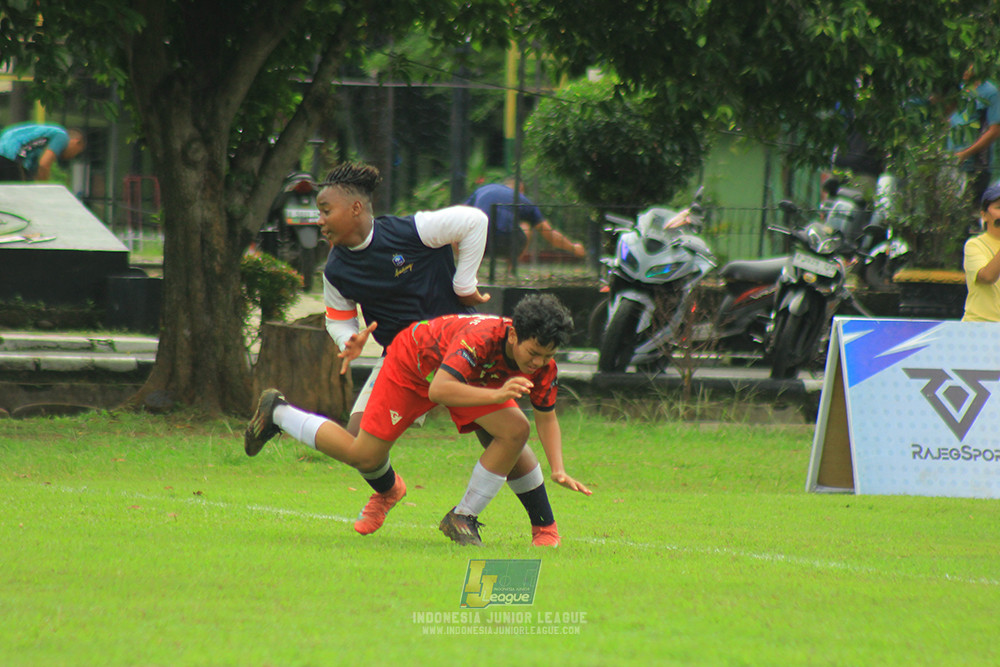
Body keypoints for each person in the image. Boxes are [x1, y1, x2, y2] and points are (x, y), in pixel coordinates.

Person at [288, 162, 575, 546]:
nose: (319, 222)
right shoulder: (336, 269)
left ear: (355, 208)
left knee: (504, 435)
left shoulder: (410, 230)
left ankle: (543, 527)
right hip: (405, 358)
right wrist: (347, 341)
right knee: (360, 445)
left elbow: (473, 221)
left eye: (325, 212)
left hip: (463, 351)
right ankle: (388, 490)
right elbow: (339, 321)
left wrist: (464, 282)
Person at [244, 293, 592, 546]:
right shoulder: (481, 339)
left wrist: (558, 468)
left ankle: (482, 520)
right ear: (514, 334)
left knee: (515, 429)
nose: (537, 363)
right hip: (412, 368)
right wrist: (497, 396)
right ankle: (278, 413)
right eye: (533, 353)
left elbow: (547, 418)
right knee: (363, 454)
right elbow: (441, 389)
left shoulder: (543, 364)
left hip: (471, 380)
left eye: (547, 356)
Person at [465, 178, 586, 267]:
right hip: (506, 244)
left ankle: (468, 270)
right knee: (525, 226)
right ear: (521, 189)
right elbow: (549, 234)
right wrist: (573, 248)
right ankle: (511, 269)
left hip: (478, 244)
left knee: (465, 225)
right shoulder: (523, 200)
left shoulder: (483, 190)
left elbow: (459, 216)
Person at [946, 66, 1000, 207]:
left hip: (974, 162)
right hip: (949, 157)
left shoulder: (990, 92)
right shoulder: (958, 87)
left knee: (968, 207)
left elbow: (994, 131)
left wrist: (965, 153)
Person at [962, 184, 1000, 322]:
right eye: (999, 207)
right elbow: (987, 277)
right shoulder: (975, 245)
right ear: (984, 215)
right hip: (980, 330)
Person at [0, 123, 86, 181]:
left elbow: (36, 173)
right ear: (76, 142)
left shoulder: (40, 147)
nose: (72, 156)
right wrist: (43, 190)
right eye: (77, 152)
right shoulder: (62, 136)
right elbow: (44, 165)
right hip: (12, 158)